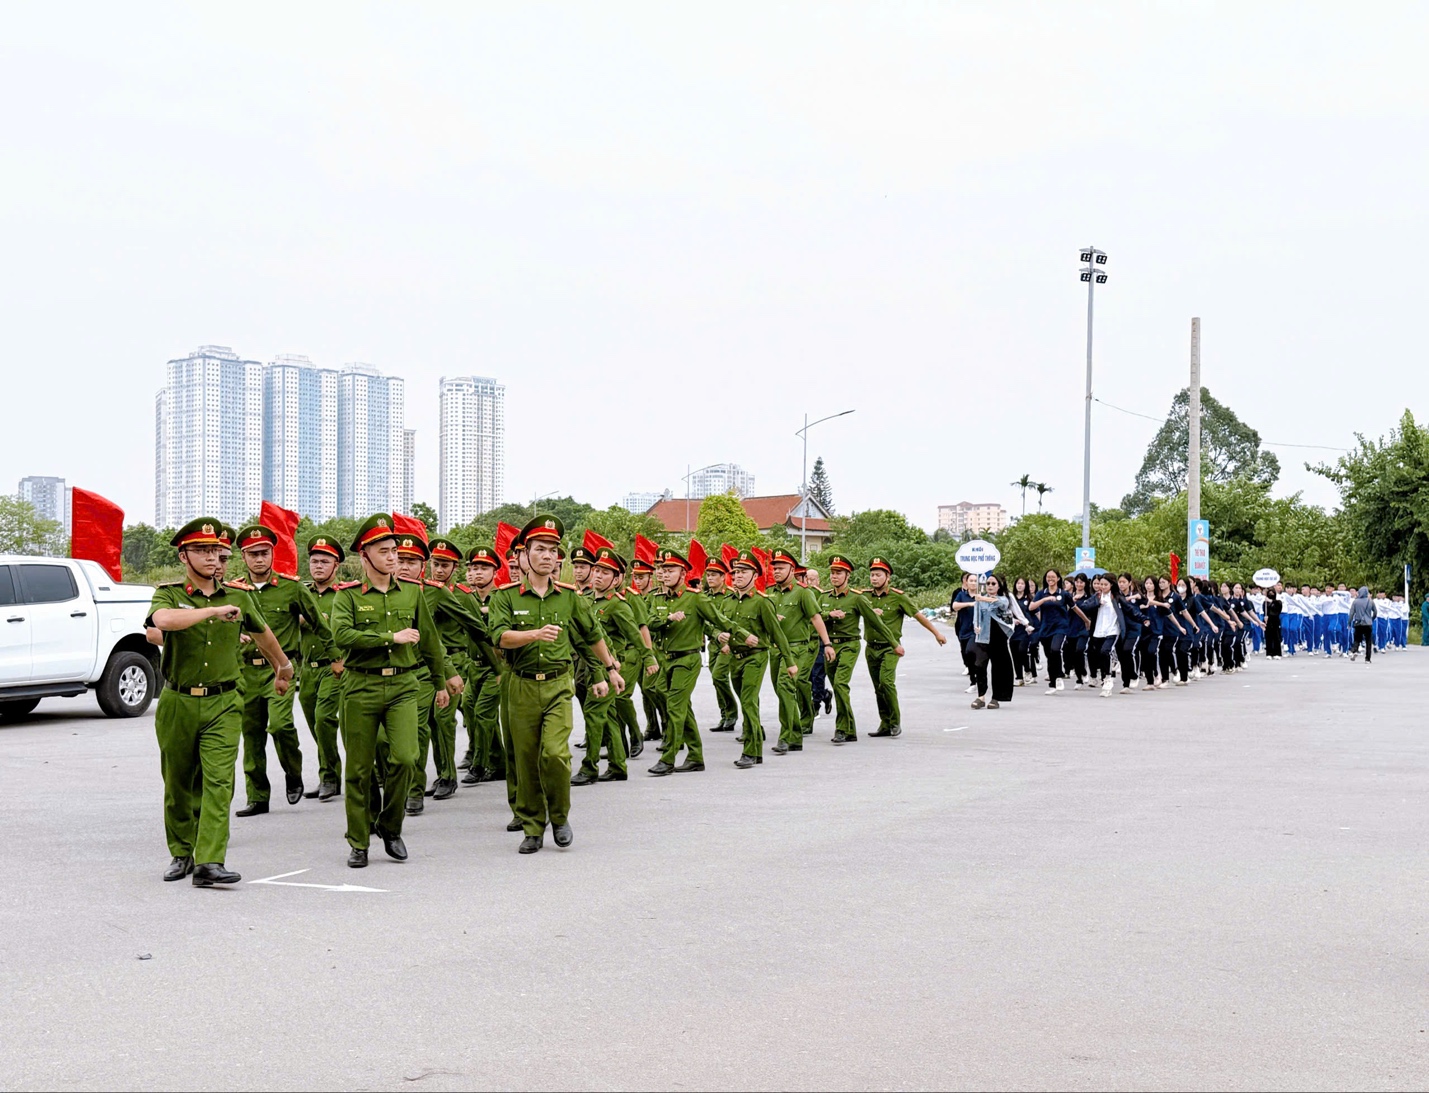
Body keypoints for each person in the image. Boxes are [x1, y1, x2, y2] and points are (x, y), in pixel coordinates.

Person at [149, 518, 293, 887]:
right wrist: (210, 612)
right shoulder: (168, 594)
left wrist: (283, 666)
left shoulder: (239, 595)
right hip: (178, 700)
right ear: (184, 556)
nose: (212, 558)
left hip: (225, 701)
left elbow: (264, 634)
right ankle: (182, 851)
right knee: (179, 782)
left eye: (216, 551)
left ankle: (209, 861)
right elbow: (162, 621)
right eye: (202, 550)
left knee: (219, 780)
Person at [485, 515, 625, 853]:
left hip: (558, 685)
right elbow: (499, 636)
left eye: (552, 551)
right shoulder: (505, 597)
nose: (547, 556)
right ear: (524, 554)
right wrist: (533, 634)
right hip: (521, 685)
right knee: (527, 758)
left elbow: (592, 635)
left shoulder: (569, 597)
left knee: (555, 754)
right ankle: (533, 827)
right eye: (540, 549)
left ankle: (560, 817)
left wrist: (610, 668)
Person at [330, 514, 456, 868]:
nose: (393, 558)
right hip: (361, 686)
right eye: (384, 551)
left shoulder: (413, 593)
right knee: (358, 769)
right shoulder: (348, 598)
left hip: (403, 685)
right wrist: (390, 637)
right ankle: (358, 841)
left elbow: (430, 642)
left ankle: (390, 825)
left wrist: (439, 682)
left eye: (395, 552)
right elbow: (342, 636)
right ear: (365, 556)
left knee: (404, 758)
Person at [232, 523, 327, 817]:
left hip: (280, 671)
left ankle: (293, 772)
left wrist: (336, 656)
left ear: (272, 555)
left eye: (264, 553)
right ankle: (258, 795)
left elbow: (318, 621)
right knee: (252, 735)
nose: (259, 559)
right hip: (246, 671)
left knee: (280, 725)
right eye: (253, 554)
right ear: (244, 558)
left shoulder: (291, 588)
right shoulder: (233, 591)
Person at [645, 548, 745, 772]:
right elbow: (649, 622)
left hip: (687, 659)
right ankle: (696, 756)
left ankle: (668, 758)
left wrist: (744, 636)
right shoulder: (658, 598)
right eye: (664, 570)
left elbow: (719, 619)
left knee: (675, 707)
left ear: (683, 574)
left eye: (671, 570)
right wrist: (667, 619)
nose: (666, 574)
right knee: (677, 704)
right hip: (666, 660)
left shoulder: (695, 597)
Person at [574, 547, 656, 784]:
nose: (598, 575)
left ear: (617, 579)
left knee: (594, 712)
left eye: (606, 572)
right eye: (597, 570)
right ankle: (618, 766)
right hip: (590, 667)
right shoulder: (586, 600)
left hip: (612, 668)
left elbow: (635, 633)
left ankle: (589, 767)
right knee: (608, 716)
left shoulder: (618, 605)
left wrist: (648, 657)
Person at [421, 537, 489, 803]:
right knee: (431, 722)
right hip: (429, 663)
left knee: (443, 719)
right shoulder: (422, 590)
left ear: (455, 567)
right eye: (436, 564)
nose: (439, 569)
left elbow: (478, 630)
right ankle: (441, 772)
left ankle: (449, 776)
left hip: (456, 661)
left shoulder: (461, 594)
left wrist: (497, 668)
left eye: (445, 565)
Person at [721, 550, 799, 767]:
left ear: (755, 576)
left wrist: (790, 662)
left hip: (756, 657)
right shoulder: (727, 601)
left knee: (747, 700)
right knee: (748, 703)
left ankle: (750, 752)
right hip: (734, 658)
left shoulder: (763, 602)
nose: (737, 576)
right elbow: (713, 623)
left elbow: (777, 634)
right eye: (735, 572)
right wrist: (720, 637)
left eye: (743, 572)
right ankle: (756, 750)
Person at [815, 554, 901, 743]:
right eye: (832, 573)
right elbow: (815, 616)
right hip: (830, 647)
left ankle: (841, 728)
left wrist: (895, 644)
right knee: (838, 689)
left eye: (839, 573)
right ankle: (850, 730)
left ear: (848, 576)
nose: (834, 576)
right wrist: (830, 614)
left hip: (849, 645)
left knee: (840, 684)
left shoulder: (857, 598)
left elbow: (876, 623)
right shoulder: (823, 597)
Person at [863, 555, 948, 735]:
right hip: (871, 648)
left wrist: (937, 633)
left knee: (886, 682)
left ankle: (895, 722)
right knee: (878, 688)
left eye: (878, 575)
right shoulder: (864, 596)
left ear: (888, 577)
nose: (874, 579)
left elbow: (919, 616)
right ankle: (885, 724)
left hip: (890, 648)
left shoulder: (898, 597)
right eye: (872, 575)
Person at [297, 535, 346, 801]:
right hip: (307, 669)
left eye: (324, 561)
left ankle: (329, 776)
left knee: (324, 719)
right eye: (314, 561)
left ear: (335, 566)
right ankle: (330, 770)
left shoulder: (345, 594)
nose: (318, 566)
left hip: (334, 667)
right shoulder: (300, 593)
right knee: (315, 723)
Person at [459, 546, 506, 785]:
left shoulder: (501, 597)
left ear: (495, 571)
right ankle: (498, 761)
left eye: (484, 568)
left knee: (484, 714)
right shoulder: (466, 598)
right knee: (469, 708)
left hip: (496, 666)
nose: (478, 572)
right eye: (474, 568)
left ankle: (479, 764)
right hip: (473, 665)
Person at [970, 574, 1022, 708]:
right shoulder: (979, 600)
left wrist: (983, 598)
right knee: (979, 665)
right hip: (983, 636)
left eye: (993, 584)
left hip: (998, 636)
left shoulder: (1003, 598)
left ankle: (996, 697)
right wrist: (976, 626)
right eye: (988, 583)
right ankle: (981, 696)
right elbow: (977, 615)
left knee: (999, 667)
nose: (990, 586)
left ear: (999, 586)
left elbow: (1002, 605)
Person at [701, 558, 740, 733]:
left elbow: (733, 621)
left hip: (727, 644)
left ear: (723, 577)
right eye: (708, 575)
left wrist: (729, 642)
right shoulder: (704, 596)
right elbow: (703, 621)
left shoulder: (730, 595)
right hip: (713, 643)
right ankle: (724, 715)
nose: (710, 578)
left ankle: (731, 714)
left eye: (714, 575)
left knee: (719, 677)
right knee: (717, 681)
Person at [1029, 569, 1072, 694]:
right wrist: (1045, 600)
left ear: (1058, 578)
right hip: (1045, 628)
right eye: (1048, 577)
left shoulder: (1063, 594)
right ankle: (1053, 683)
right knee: (1050, 655)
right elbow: (1031, 607)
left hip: (1060, 627)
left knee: (1055, 650)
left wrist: (1086, 621)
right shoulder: (1041, 593)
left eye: (1053, 577)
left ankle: (1058, 676)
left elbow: (1074, 607)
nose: (1050, 579)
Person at [803, 566, 834, 717]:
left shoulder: (822, 595)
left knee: (818, 674)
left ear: (818, 580)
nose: (809, 582)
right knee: (807, 676)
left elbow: (820, 614)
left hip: (819, 640)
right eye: (807, 578)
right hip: (804, 640)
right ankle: (824, 695)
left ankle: (815, 703)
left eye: (812, 579)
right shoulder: (802, 594)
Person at [1348, 586, 1376, 662]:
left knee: (1357, 639)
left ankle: (1354, 650)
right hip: (1368, 624)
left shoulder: (1355, 601)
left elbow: (1351, 613)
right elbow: (1375, 612)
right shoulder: (1370, 601)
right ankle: (1367, 658)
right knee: (1368, 641)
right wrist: (1371, 619)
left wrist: (1349, 622)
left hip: (1358, 623)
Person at [1263, 587, 1283, 659]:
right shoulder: (1265, 603)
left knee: (1276, 637)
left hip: (1275, 620)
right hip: (1268, 621)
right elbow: (1265, 611)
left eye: (1272, 592)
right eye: (1269, 593)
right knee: (1268, 637)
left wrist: (1271, 601)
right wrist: (1265, 616)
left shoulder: (1278, 602)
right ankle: (1269, 653)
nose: (1271, 594)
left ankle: (1277, 653)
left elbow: (1278, 610)